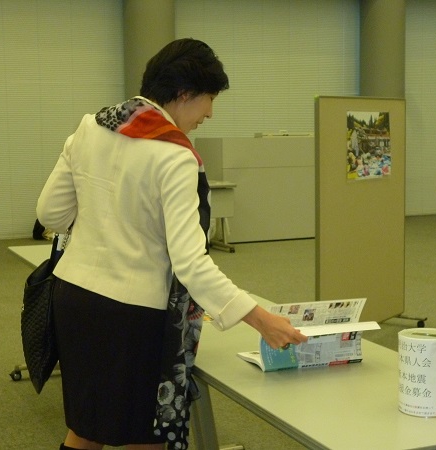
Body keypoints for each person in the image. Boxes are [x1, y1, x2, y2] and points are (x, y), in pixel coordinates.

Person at [36, 38, 308, 450]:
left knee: (85, 429)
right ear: (184, 94)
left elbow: (50, 215)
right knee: (143, 438)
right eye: (209, 100)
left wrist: (103, 224)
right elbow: (191, 263)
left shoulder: (90, 126)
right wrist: (261, 319)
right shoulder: (175, 155)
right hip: (132, 316)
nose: (210, 114)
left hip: (73, 299)